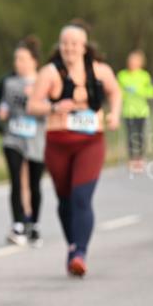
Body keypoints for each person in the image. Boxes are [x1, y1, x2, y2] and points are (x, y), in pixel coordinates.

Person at [27, 21, 121, 278]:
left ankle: (80, 252)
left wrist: (114, 114)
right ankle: (72, 245)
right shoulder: (49, 73)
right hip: (58, 143)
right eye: (65, 43)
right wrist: (54, 107)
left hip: (90, 142)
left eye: (74, 43)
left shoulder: (100, 71)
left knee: (81, 197)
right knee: (65, 200)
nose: (69, 48)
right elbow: (32, 105)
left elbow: (115, 93)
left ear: (84, 46)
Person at [0, 37, 47, 246]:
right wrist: (2, 112)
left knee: (34, 183)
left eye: (23, 59)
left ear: (34, 61)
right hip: (13, 137)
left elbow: (52, 109)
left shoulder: (44, 82)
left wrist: (36, 99)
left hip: (37, 138)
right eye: (16, 59)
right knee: (16, 180)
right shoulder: (9, 83)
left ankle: (34, 224)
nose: (18, 63)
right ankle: (17, 224)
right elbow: (4, 105)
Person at [117, 49, 153, 173]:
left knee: (140, 136)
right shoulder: (121, 75)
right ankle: (131, 159)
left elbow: (152, 93)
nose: (132, 63)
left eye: (135, 60)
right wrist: (124, 93)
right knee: (130, 136)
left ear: (140, 63)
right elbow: (116, 92)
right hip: (128, 111)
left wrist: (138, 91)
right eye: (130, 60)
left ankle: (140, 159)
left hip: (141, 111)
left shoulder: (145, 76)